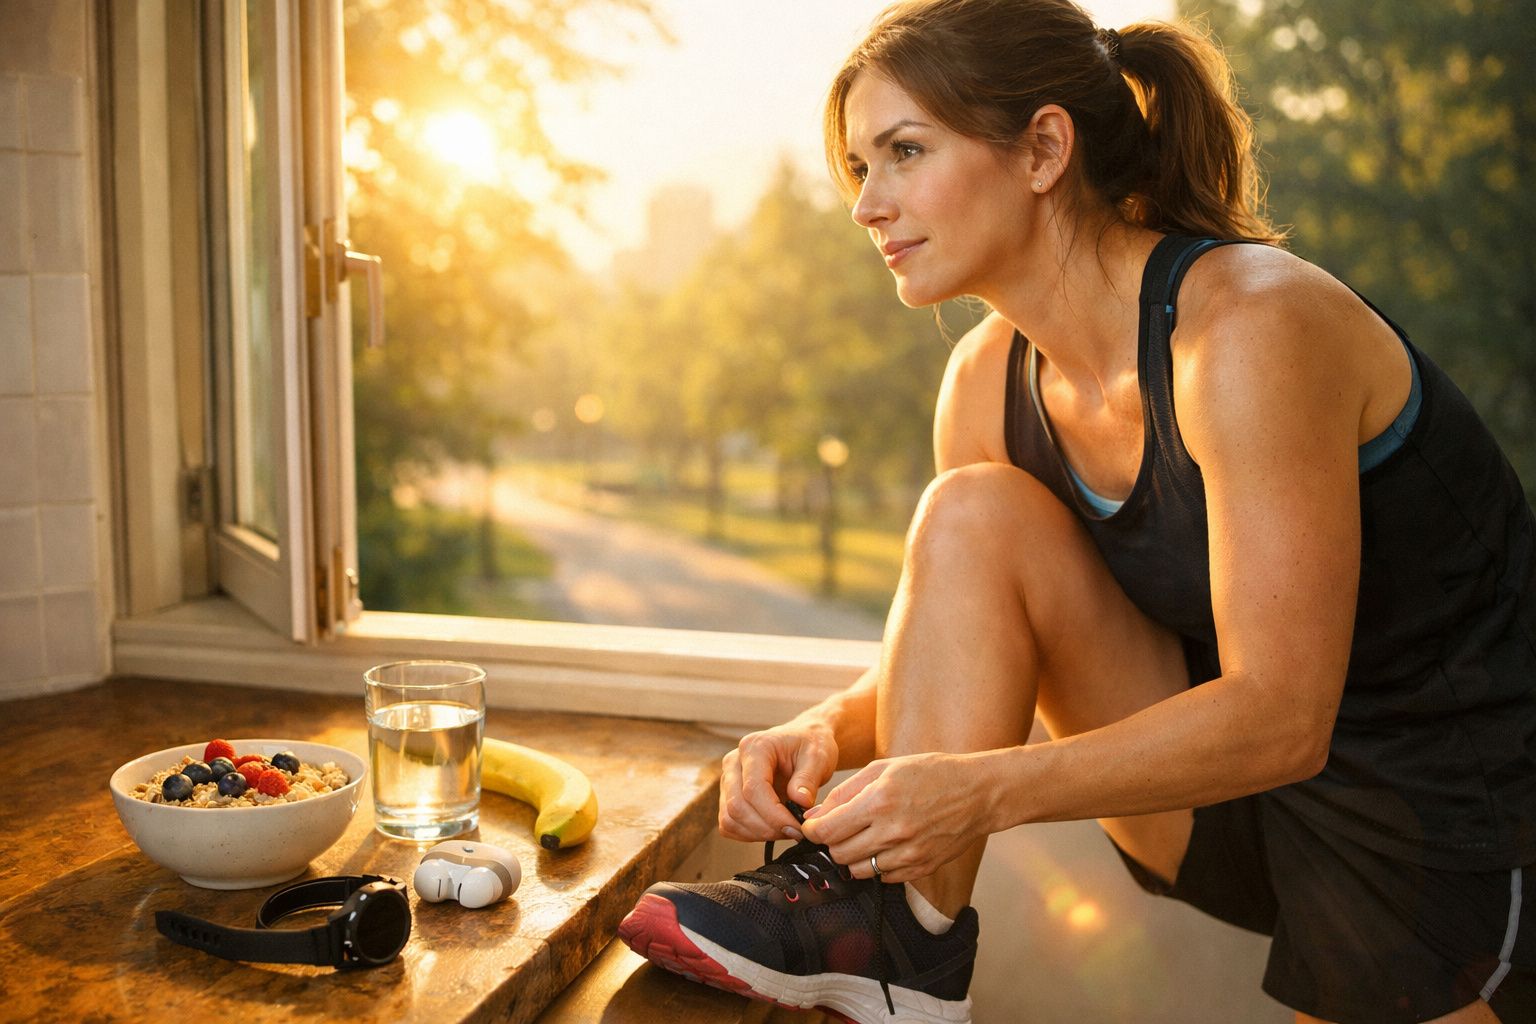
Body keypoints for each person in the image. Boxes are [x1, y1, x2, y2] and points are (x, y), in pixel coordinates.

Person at [616, 1, 1536, 1021]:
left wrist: (984, 789)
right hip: (1229, 803)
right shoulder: (987, 383)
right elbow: (966, 647)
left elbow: (1283, 716)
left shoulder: (1248, 328)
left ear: (1045, 149)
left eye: (905, 151)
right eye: (860, 166)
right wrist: (825, 726)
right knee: (970, 512)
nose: (867, 204)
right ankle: (900, 942)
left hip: (1459, 811)